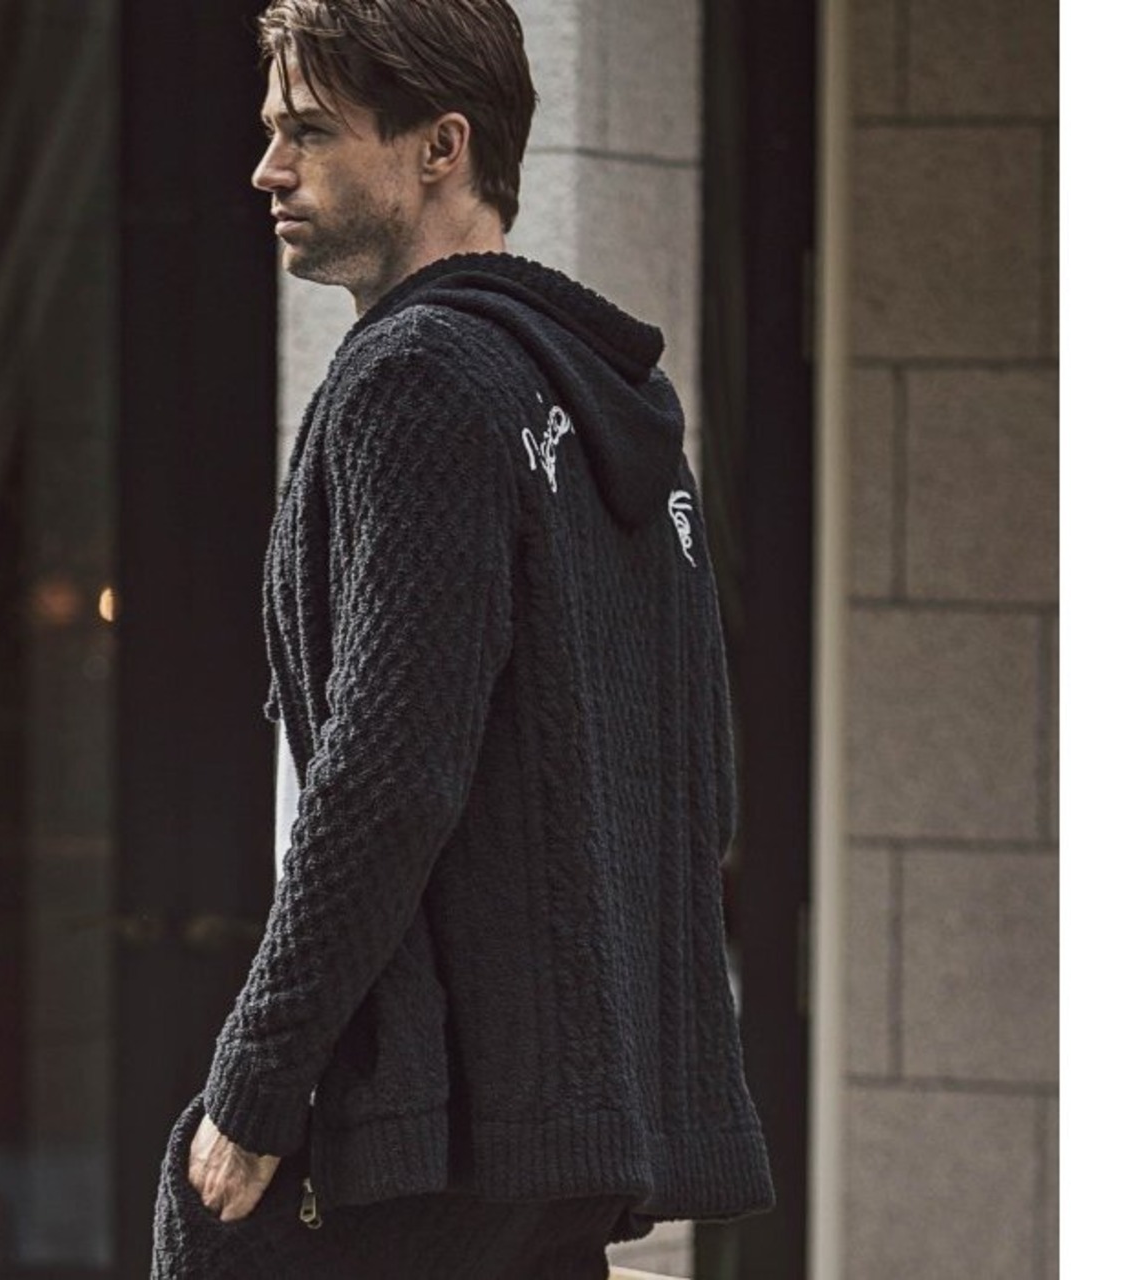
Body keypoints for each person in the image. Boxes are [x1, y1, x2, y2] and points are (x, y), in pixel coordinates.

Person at [150, 1, 776, 1275]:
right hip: (562, 1137)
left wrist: (258, 1078)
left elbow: (386, 772)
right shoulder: (609, 397)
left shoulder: (418, 376)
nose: (267, 168)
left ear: (441, 147)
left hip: (426, 1131)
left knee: (209, 1213)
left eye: (309, 131)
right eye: (273, 130)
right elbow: (701, 771)